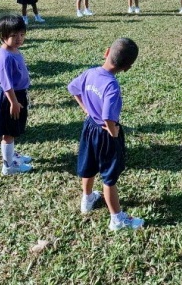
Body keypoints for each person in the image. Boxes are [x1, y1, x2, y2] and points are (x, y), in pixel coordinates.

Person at [67, 38, 143, 231]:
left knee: (89, 165)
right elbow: (108, 117)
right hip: (105, 134)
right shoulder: (112, 86)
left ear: (107, 52)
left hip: (89, 128)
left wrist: (86, 109)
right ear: (127, 68)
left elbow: (73, 88)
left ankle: (87, 199)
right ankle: (117, 219)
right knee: (109, 178)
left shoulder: (90, 73)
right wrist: (113, 131)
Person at [0, 15, 32, 176]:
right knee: (8, 132)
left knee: (13, 129)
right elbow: (6, 83)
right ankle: (8, 166)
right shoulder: (5, 57)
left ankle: (11, 155)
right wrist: (13, 103)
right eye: (14, 35)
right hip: (10, 97)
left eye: (22, 34)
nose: (19, 39)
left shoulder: (13, 50)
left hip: (17, 95)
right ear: (3, 36)